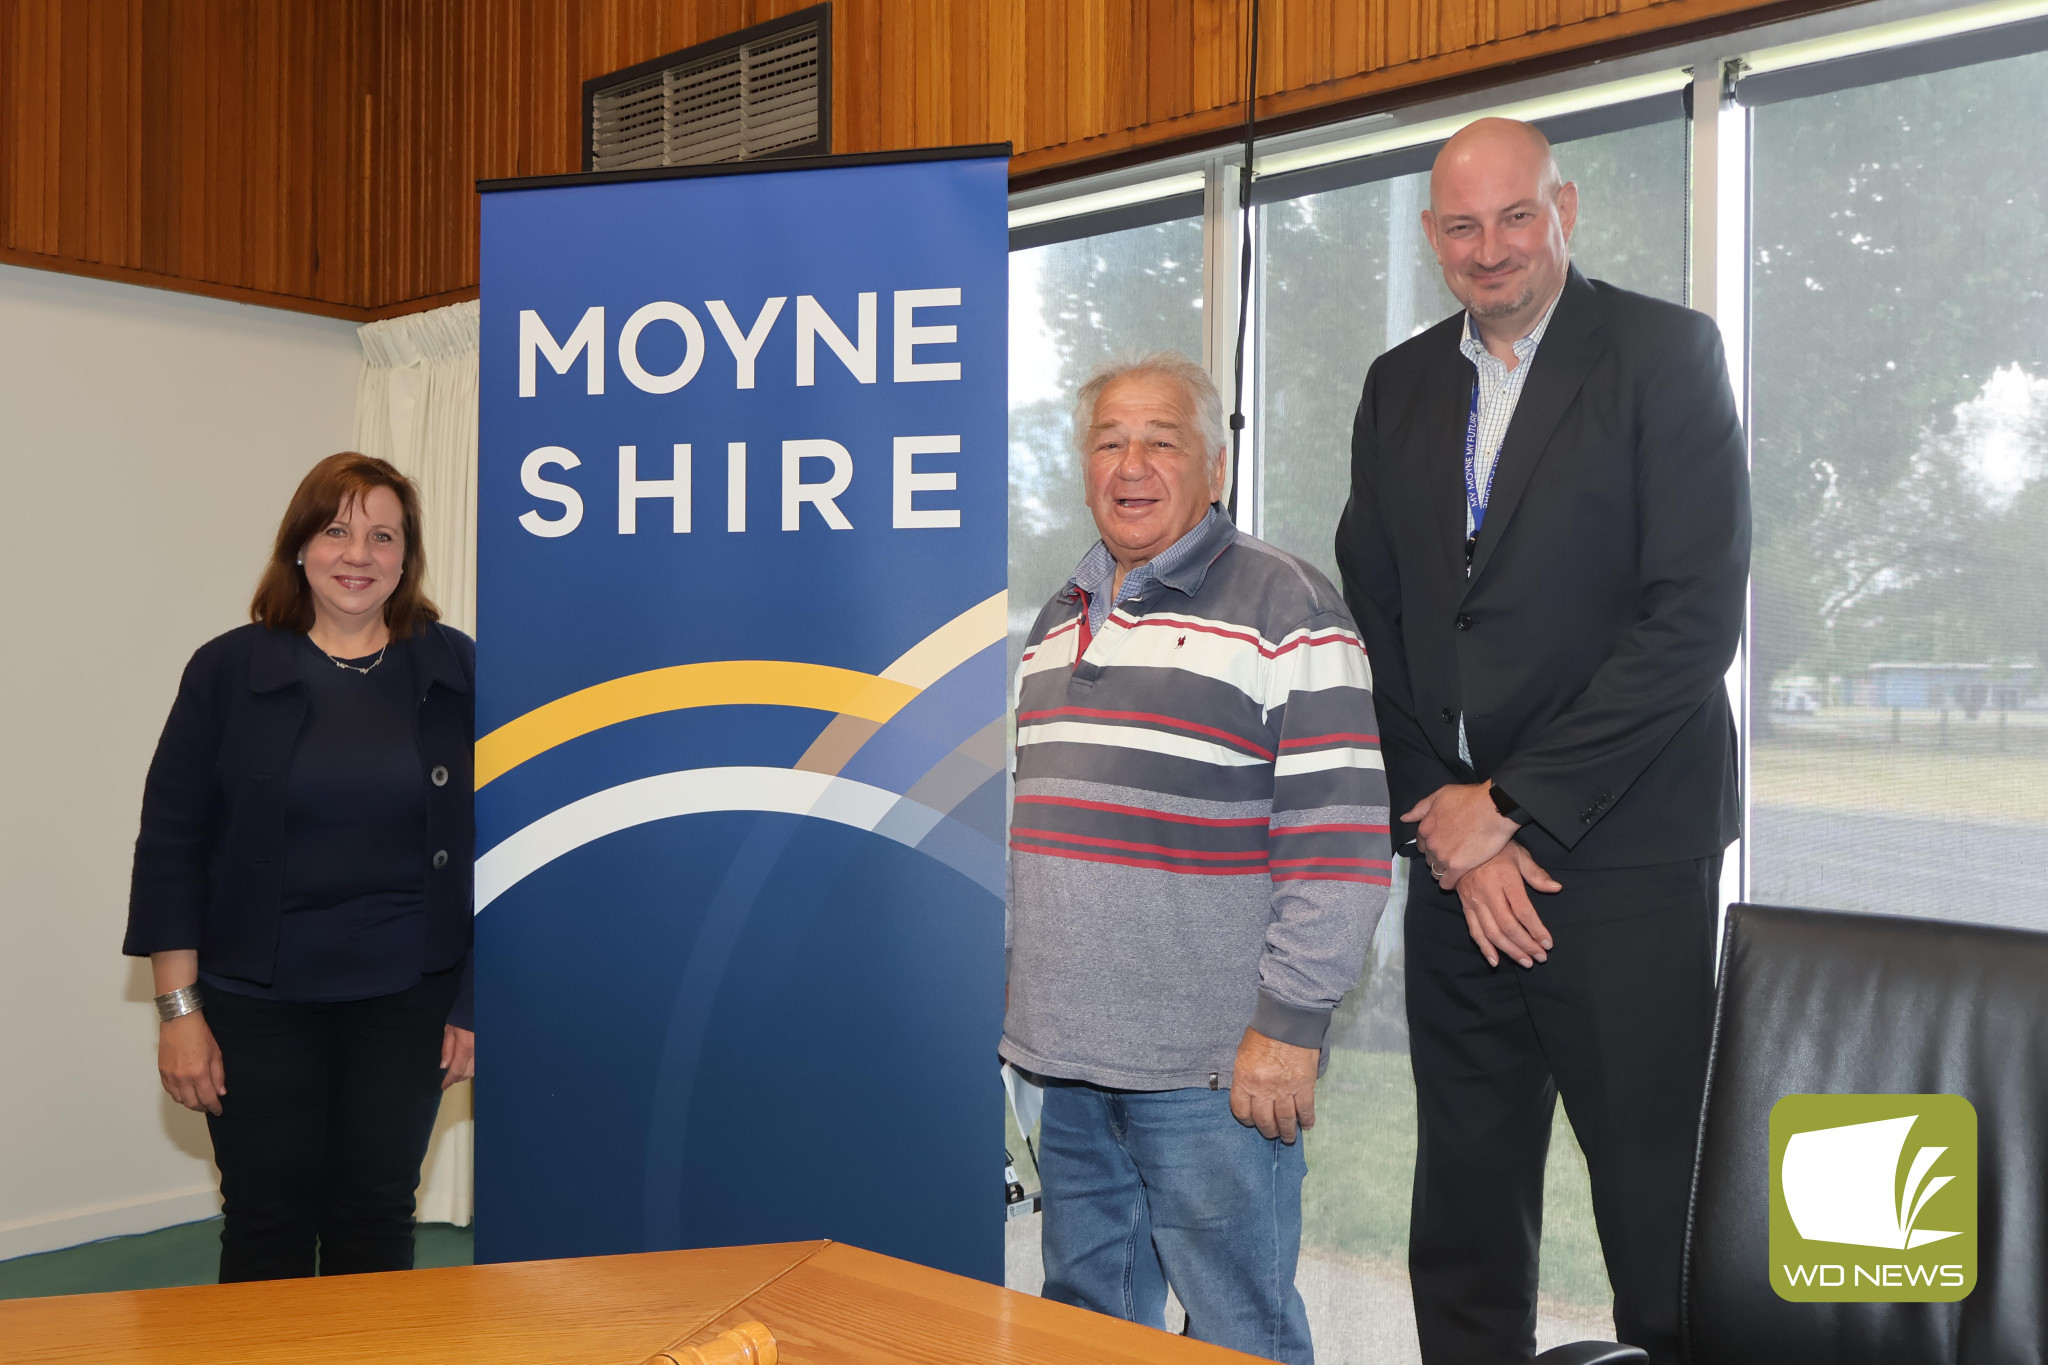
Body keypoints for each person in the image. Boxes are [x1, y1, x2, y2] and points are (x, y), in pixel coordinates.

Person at [1333, 119, 1749, 1363]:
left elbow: (1689, 618)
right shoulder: (1397, 385)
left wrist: (1505, 803)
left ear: (1561, 206)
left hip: (1617, 860)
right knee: (1461, 1199)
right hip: (1454, 860)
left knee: (1653, 1205)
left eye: (1514, 216)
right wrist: (1451, 821)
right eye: (1460, 226)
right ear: (1429, 238)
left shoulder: (1664, 354)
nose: (1490, 248)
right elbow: (1382, 619)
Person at [1002, 351, 1390, 1364]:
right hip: (1068, 1066)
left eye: (1160, 441)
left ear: (1212, 467)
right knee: (1084, 1327)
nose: (1131, 464)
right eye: (1108, 442)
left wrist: (1287, 1030)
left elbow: (1340, 846)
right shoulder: (1055, 621)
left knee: (1236, 1334)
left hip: (1214, 1073)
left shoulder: (1288, 607)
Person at [124, 452, 478, 1281]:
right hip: (256, 1001)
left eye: (382, 535)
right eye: (337, 530)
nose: (359, 554)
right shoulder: (227, 669)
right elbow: (171, 843)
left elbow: (490, 846)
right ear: (300, 547)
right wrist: (178, 1010)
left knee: (377, 1213)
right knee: (265, 1216)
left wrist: (472, 999)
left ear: (406, 556)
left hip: (407, 997)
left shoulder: (456, 668)